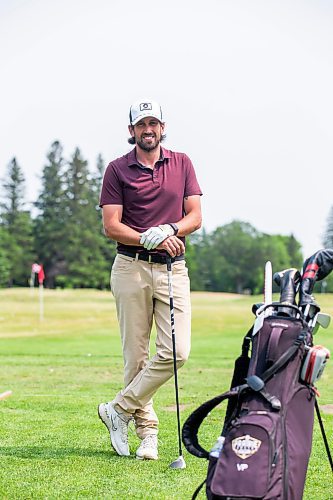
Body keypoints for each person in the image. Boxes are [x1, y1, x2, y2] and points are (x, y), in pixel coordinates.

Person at [98, 98, 202, 461]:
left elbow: (195, 216)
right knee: (136, 357)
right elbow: (112, 225)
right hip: (131, 267)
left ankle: (119, 409)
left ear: (162, 127)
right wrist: (147, 236)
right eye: (141, 124)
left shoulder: (182, 162)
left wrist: (170, 228)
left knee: (177, 352)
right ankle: (148, 437)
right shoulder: (117, 170)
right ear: (131, 131)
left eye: (154, 123)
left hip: (173, 268)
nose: (148, 129)